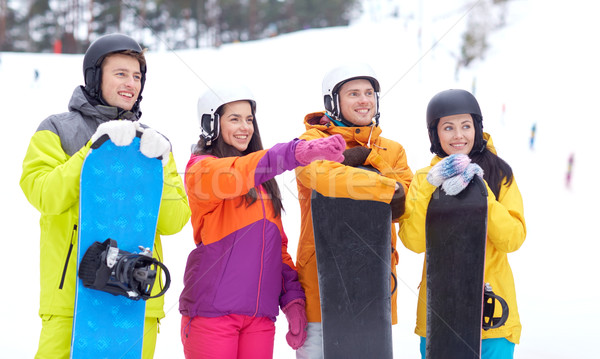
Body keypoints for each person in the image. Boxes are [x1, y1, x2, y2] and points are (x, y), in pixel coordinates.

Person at [19, 33, 191, 359]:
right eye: (121, 73)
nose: (131, 83)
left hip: (136, 299)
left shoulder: (153, 141)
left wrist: (161, 168)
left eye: (137, 76)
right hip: (72, 300)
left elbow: (174, 221)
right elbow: (45, 195)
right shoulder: (56, 129)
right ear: (95, 77)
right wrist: (92, 152)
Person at [179, 83, 346, 359]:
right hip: (212, 315)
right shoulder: (202, 169)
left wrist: (292, 299)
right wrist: (294, 153)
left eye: (249, 119)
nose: (245, 127)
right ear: (211, 123)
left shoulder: (263, 184)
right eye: (234, 119)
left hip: (259, 319)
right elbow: (236, 171)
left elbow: (276, 248)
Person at [294, 63, 413, 358]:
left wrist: (371, 159)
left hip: (373, 287)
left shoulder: (391, 150)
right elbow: (320, 175)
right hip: (322, 290)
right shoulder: (311, 143)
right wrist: (385, 187)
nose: (364, 100)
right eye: (354, 94)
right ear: (332, 102)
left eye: (369, 93)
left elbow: (405, 203)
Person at [398, 89, 526, 358]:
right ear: (436, 135)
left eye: (466, 126)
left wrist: (481, 192)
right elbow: (414, 242)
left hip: (492, 316)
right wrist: (429, 188)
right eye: (448, 127)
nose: (458, 135)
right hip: (439, 314)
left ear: (477, 128)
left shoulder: (499, 173)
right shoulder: (424, 179)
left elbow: (512, 239)